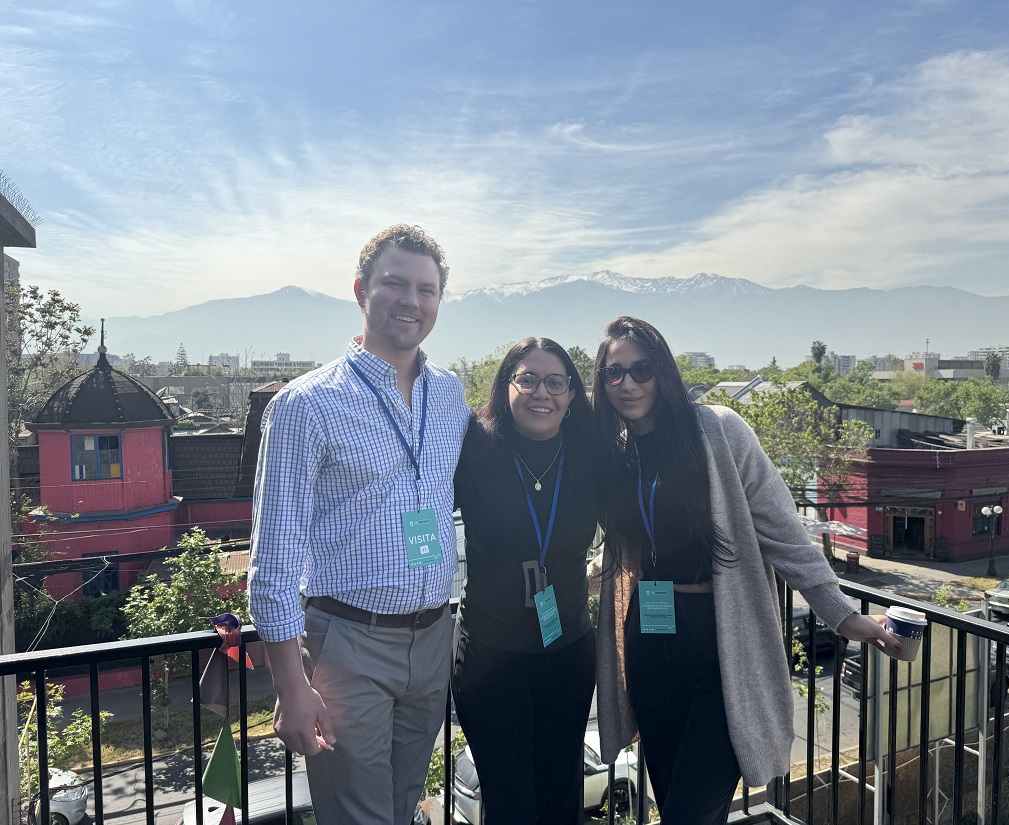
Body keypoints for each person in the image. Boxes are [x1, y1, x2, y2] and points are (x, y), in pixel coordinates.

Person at [591, 316, 899, 824]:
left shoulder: (716, 430)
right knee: (674, 805)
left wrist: (843, 615)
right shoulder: (616, 452)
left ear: (662, 370)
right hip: (649, 642)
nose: (628, 383)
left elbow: (784, 532)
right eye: (613, 372)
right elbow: (631, 543)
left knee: (690, 813)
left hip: (721, 641)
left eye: (640, 368)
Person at [248, 225, 470, 825]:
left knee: (403, 807)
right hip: (348, 642)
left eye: (426, 289)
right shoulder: (305, 405)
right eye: (394, 283)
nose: (410, 301)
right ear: (360, 291)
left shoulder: (450, 395)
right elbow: (273, 558)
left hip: (433, 639)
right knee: (357, 817)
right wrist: (291, 685)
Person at [452, 337, 599, 824]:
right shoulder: (474, 447)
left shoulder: (590, 455)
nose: (542, 392)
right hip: (490, 661)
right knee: (508, 804)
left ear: (573, 395)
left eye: (556, 382)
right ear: (506, 385)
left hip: (568, 653)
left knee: (562, 800)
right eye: (528, 379)